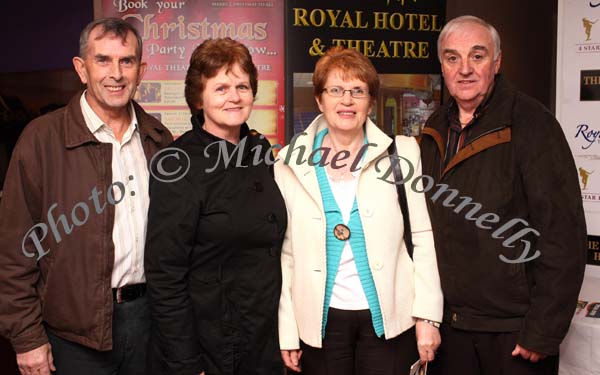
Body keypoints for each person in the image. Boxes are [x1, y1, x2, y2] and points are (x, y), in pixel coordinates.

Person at [0, 17, 172, 375]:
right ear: (82, 69)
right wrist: (27, 338)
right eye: (103, 60)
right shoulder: (41, 140)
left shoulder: (159, 139)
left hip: (149, 324)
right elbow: (14, 249)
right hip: (73, 337)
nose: (116, 73)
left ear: (141, 71)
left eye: (126, 61)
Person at [420, 15, 587, 375]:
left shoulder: (532, 123)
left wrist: (542, 331)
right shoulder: (432, 129)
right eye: (452, 58)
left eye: (477, 56)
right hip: (451, 329)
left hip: (514, 332)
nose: (464, 69)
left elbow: (563, 233)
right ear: (442, 66)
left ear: (497, 62)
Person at [276, 46, 443, 374]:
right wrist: (287, 331)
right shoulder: (288, 161)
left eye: (358, 91)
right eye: (335, 90)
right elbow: (286, 255)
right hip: (319, 324)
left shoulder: (403, 153)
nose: (347, 100)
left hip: (391, 319)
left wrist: (427, 317)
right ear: (320, 100)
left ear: (371, 100)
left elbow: (422, 238)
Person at [144, 38, 287, 375]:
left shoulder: (259, 151)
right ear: (199, 97)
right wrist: (186, 362)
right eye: (221, 87)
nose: (234, 96)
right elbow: (165, 275)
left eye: (242, 86)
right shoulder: (177, 163)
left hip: (265, 340)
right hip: (209, 347)